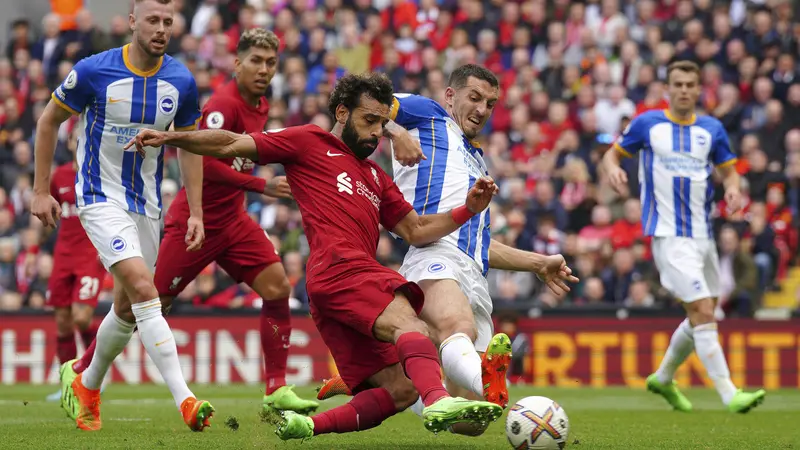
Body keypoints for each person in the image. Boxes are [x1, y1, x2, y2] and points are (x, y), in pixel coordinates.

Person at [126, 72, 504, 440]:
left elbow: (417, 230)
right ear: (342, 113)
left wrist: (468, 209)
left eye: (381, 124)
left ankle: (306, 427)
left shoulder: (375, 176)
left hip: (333, 290)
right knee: (414, 327)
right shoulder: (308, 141)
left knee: (402, 390)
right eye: (369, 121)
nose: (376, 133)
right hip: (341, 269)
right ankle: (438, 399)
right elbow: (229, 144)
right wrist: (170, 137)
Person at [63, 28, 320, 416]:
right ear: (237, 63)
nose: (264, 70)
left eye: (271, 62)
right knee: (144, 306)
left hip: (233, 221)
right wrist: (260, 186)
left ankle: (275, 388)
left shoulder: (262, 103)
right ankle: (82, 370)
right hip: (194, 223)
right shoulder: (222, 104)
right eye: (255, 61)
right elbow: (204, 162)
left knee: (277, 287)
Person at [317, 65, 578, 437]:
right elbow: (362, 104)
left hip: (473, 271)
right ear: (451, 96)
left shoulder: (477, 161)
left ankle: (378, 378)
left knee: (470, 423)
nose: (482, 109)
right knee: (460, 329)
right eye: (474, 98)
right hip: (432, 252)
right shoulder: (428, 113)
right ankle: (484, 376)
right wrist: (396, 130)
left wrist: (538, 263)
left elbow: (483, 245)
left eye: (490, 103)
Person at [32, 0, 214, 432]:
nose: (161, 28)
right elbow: (47, 121)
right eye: (153, 20)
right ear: (132, 22)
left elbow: (190, 146)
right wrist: (40, 190)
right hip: (98, 196)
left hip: (148, 205)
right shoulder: (95, 70)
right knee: (142, 286)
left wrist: (197, 212)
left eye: (168, 22)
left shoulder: (182, 81)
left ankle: (86, 384)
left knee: (129, 308)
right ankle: (185, 399)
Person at [603, 60, 766, 413]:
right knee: (703, 309)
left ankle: (662, 378)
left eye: (690, 85)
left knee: (703, 313)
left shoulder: (712, 129)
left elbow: (730, 173)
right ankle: (730, 394)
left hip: (703, 237)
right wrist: (614, 168)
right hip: (668, 235)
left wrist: (734, 190)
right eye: (677, 84)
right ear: (668, 88)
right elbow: (611, 154)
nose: (684, 90)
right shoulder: (648, 123)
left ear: (699, 89)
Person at [44, 131, 105, 402]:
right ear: (69, 144)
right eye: (74, 139)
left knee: (81, 317)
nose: (78, 143)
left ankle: (93, 375)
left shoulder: (102, 175)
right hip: (63, 255)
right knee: (62, 324)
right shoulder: (59, 177)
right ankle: (68, 385)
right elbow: (50, 211)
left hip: (90, 254)